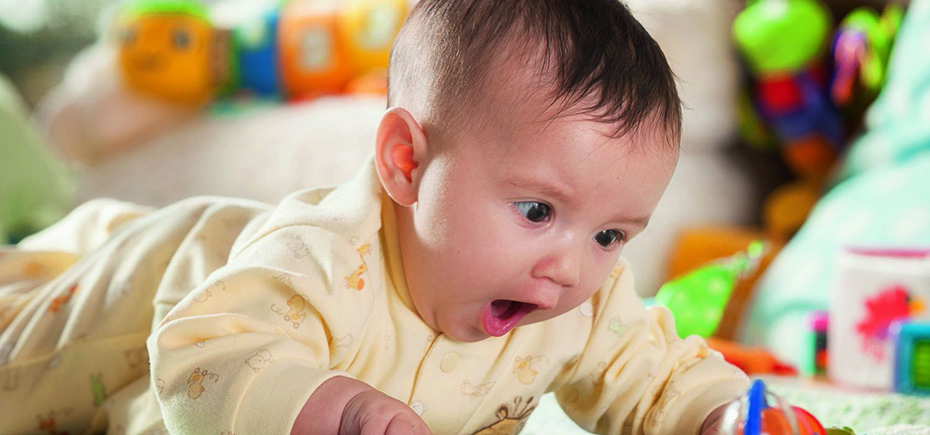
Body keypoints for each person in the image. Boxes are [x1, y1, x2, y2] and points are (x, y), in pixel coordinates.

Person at [0, 0, 750, 434]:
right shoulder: (319, 261)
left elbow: (654, 372)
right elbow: (203, 356)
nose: (570, 268)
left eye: (611, 235)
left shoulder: (570, 300)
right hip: (131, 307)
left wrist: (725, 416)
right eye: (535, 210)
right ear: (406, 162)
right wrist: (342, 408)